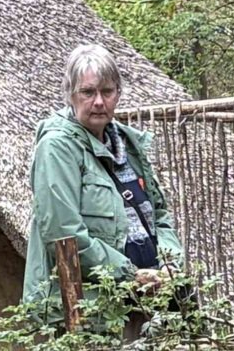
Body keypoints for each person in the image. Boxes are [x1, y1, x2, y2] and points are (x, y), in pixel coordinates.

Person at [23, 43, 184, 322]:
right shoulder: (57, 148)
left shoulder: (128, 144)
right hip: (94, 311)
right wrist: (130, 275)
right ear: (70, 94)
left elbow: (159, 214)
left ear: (118, 94)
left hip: (149, 303)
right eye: (88, 92)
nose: (99, 101)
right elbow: (64, 235)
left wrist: (170, 264)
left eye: (107, 91)